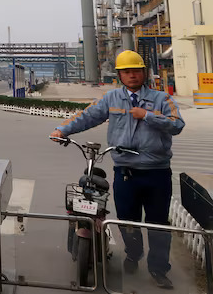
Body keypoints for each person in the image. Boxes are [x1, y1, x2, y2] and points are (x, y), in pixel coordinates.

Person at [50, 50, 185, 290]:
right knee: (126, 220)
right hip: (125, 172)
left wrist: (148, 116)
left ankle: (158, 269)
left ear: (144, 73)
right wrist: (62, 130)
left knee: (158, 225)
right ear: (120, 76)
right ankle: (133, 254)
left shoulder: (161, 99)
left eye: (136, 71)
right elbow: (88, 116)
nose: (132, 75)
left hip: (157, 172)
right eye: (127, 72)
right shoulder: (112, 98)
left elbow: (177, 125)